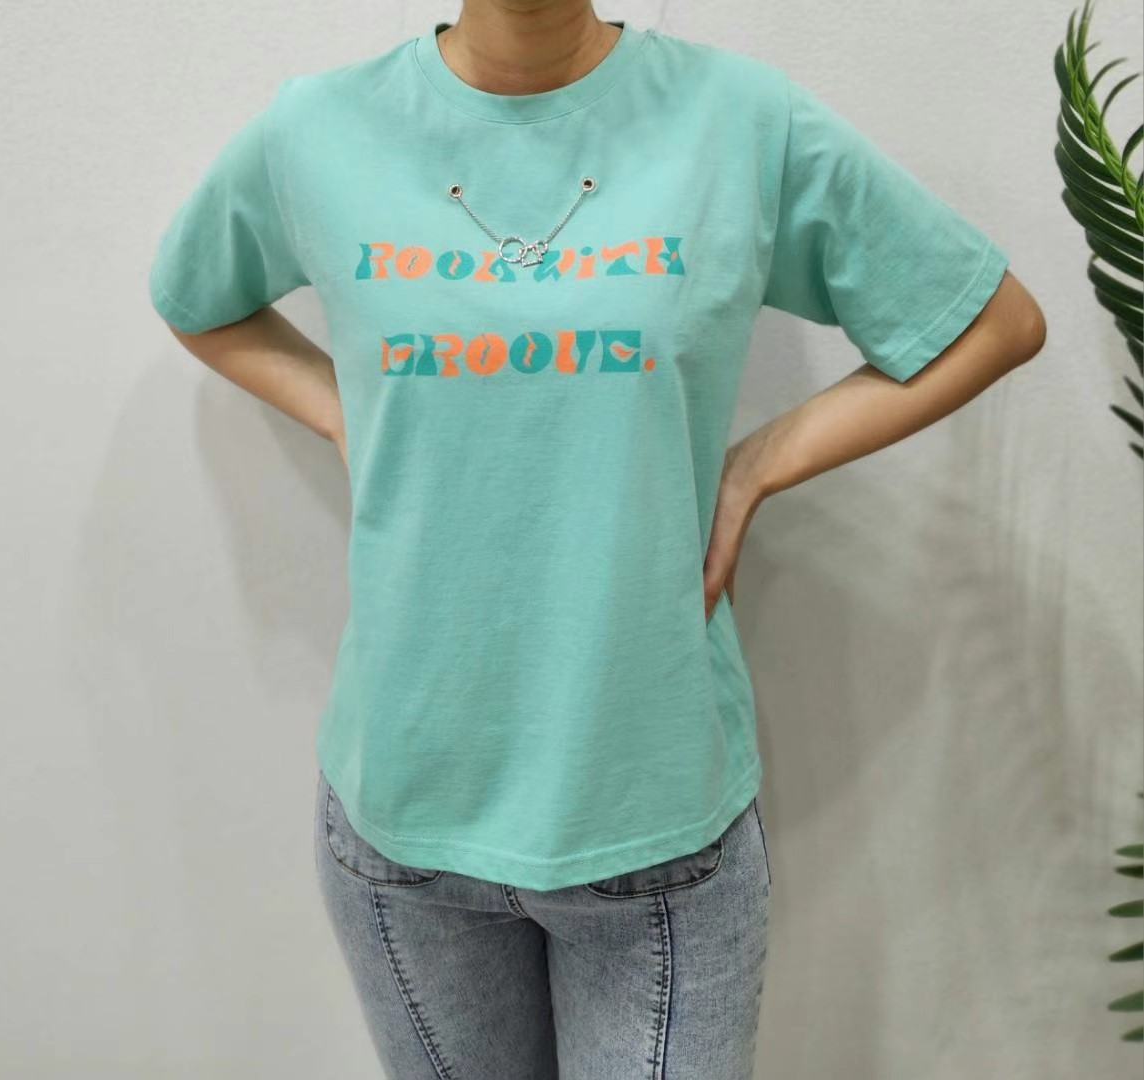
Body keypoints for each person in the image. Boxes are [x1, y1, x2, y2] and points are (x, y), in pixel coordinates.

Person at [147, 4, 1046, 1076]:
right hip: (405, 818)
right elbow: (195, 296)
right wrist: (348, 414)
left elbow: (990, 322)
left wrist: (757, 464)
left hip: (653, 823)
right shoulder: (317, 131)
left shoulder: (739, 123)